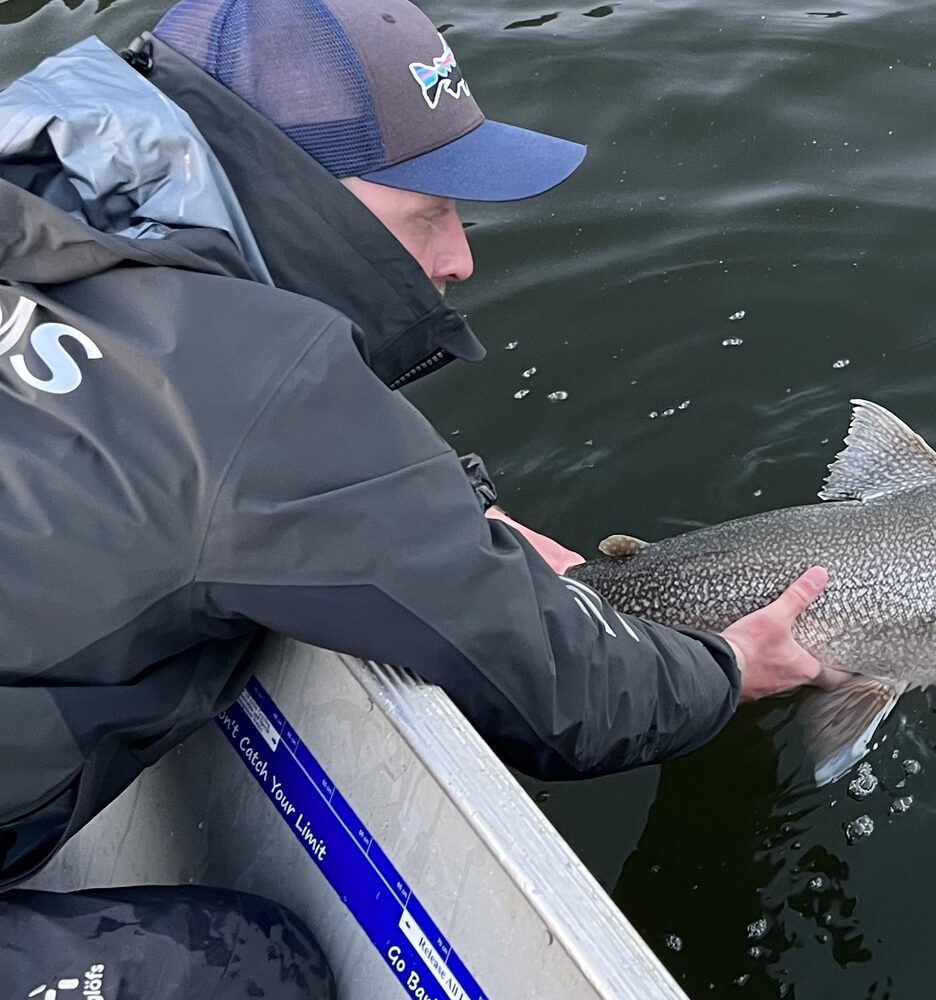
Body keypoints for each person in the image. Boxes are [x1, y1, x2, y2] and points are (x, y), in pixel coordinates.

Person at [0, 0, 827, 988]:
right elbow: (573, 698)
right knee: (257, 975)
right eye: (428, 211)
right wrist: (733, 666)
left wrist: (433, 510)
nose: (459, 258)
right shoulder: (270, 388)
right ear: (308, 190)